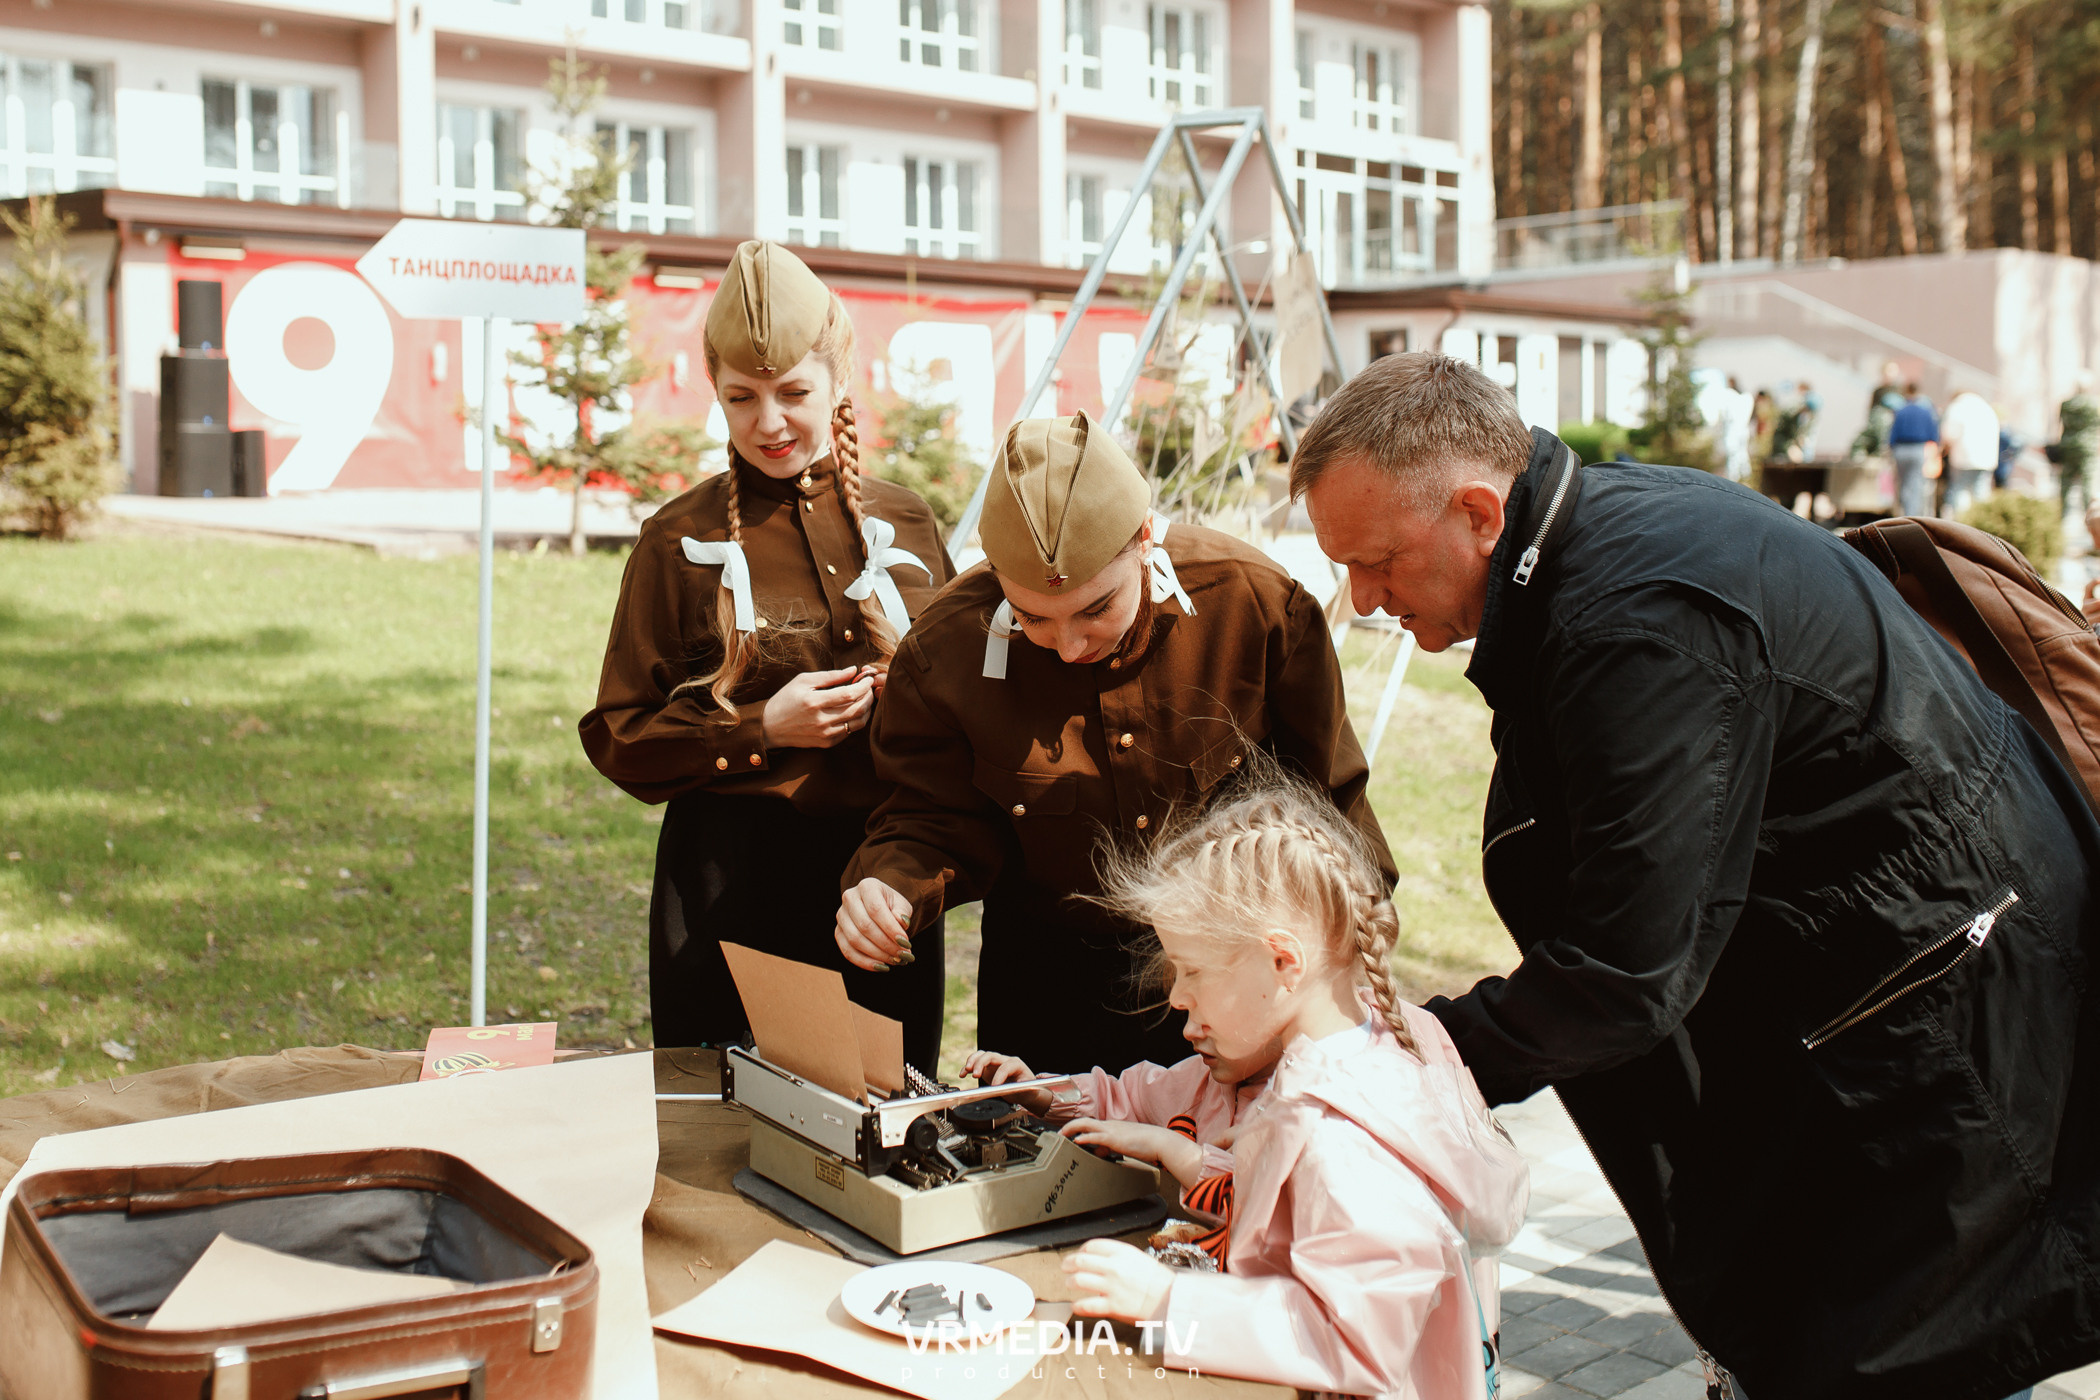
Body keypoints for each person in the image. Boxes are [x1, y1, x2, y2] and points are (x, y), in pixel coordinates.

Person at [1291, 350, 2100, 1398]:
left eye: (1379, 560)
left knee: (1918, 1353)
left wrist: (1400, 1059)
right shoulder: (1598, 528)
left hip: (1947, 1032)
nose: (1363, 597)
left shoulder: (1636, 619)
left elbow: (1629, 965)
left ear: (1481, 513)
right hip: (1893, 986)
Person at [832, 412, 1391, 1075]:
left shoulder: (1256, 605)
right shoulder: (944, 652)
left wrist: (1357, 946)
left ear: (1145, 539)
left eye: (1096, 609)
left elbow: (1329, 800)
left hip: (1235, 971)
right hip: (1047, 981)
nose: (1069, 646)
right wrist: (891, 887)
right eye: (1032, 619)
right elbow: (930, 816)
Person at [579, 241, 956, 1070]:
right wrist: (763, 728)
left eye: (794, 393)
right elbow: (619, 735)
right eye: (741, 397)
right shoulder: (678, 539)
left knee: (884, 1130)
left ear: (839, 380)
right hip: (728, 889)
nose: (769, 423)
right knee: (724, 1143)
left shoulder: (911, 521)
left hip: (877, 889)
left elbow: (962, 711)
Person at [1056, 778, 1528, 1399]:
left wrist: (1166, 1299)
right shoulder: (1382, 1037)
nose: (1176, 996)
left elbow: (1357, 1339)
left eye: (1193, 971)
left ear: (1284, 963)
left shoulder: (1342, 1139)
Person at [1939, 386, 2001, 516]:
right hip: (1986, 459)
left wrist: (1945, 448)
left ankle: (1961, 523)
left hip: (1964, 457)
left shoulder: (1957, 407)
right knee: (1981, 492)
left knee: (1960, 490)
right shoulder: (1987, 408)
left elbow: (1949, 434)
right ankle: (1981, 523)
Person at [1888, 381, 1940, 517]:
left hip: (1900, 449)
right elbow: (1933, 434)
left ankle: (1904, 513)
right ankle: (1912, 515)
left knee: (1903, 484)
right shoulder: (1926, 411)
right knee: (1916, 484)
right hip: (1918, 449)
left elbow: (1893, 433)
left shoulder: (1900, 410)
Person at [2061, 373, 2099, 520]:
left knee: (2065, 485)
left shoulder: (2066, 404)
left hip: (2068, 447)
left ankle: (2062, 518)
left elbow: (2061, 426)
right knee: (2088, 484)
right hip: (2087, 447)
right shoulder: (2094, 404)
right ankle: (2090, 520)